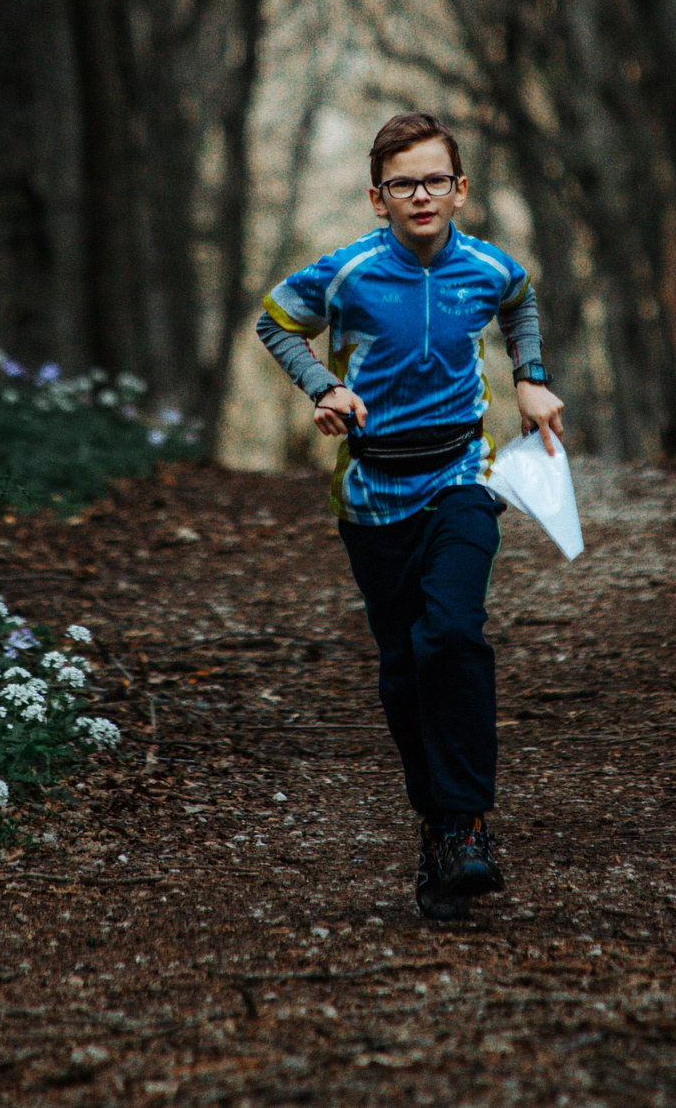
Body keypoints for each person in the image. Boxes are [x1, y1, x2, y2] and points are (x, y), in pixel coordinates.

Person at [255, 112, 566, 921]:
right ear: (376, 197)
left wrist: (530, 376)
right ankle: (435, 829)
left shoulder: (489, 267)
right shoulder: (349, 272)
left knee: (453, 634)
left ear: (460, 190)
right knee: (402, 665)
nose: (421, 194)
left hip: (464, 474)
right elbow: (275, 319)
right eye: (403, 183)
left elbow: (521, 301)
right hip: (372, 493)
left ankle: (466, 826)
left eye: (435, 179)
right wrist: (323, 388)